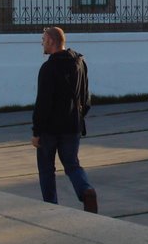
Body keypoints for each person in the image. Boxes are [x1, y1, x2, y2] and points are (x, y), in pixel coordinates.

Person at [31, 26, 98, 212]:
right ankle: (86, 190)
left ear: (51, 41)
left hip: (49, 129)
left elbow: (43, 103)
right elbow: (86, 97)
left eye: (43, 39)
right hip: (72, 125)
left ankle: (51, 207)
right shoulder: (79, 62)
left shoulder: (48, 68)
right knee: (72, 164)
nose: (42, 43)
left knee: (46, 169)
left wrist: (36, 131)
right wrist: (78, 116)